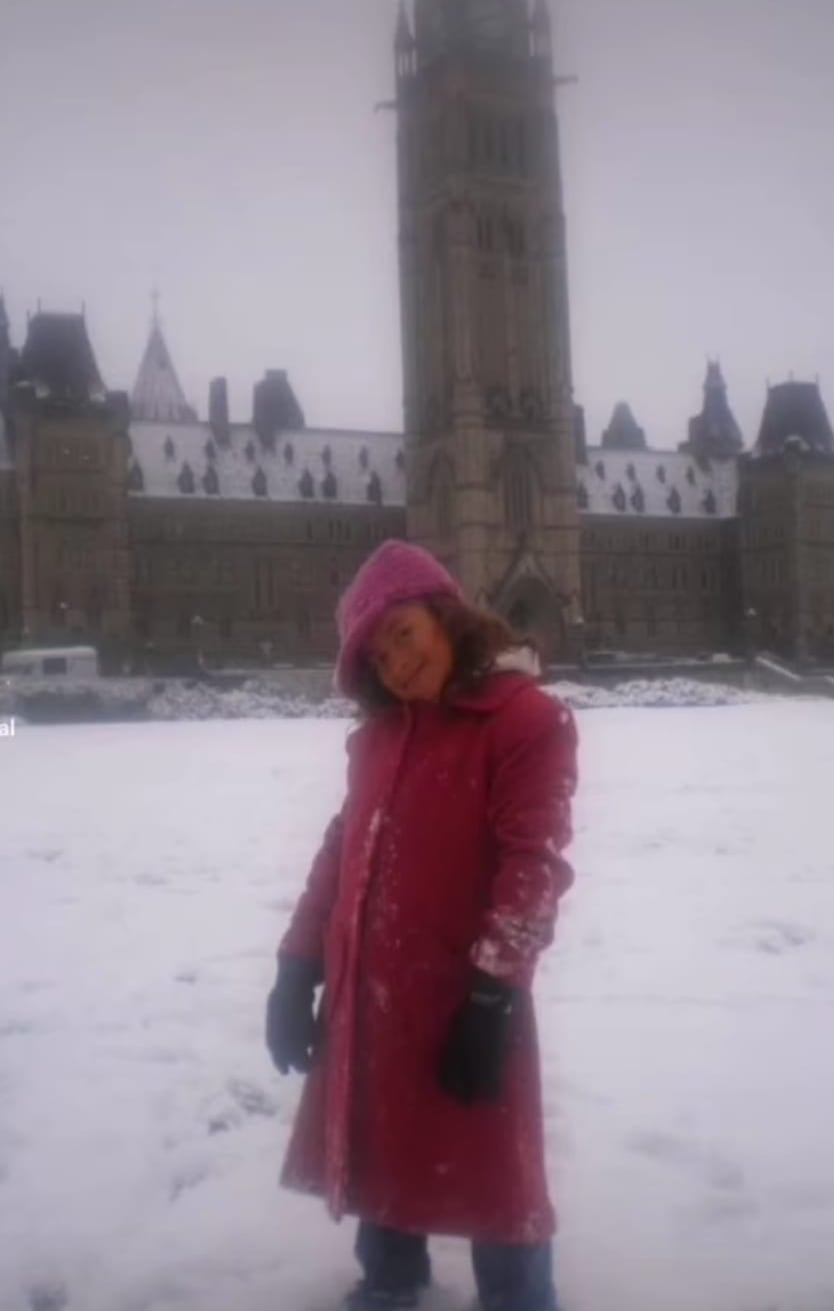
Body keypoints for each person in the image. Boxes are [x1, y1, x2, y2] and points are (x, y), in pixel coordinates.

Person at [265, 540, 578, 1311]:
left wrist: (492, 996)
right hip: (370, 998)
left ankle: (517, 1299)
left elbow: (531, 864)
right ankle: (391, 1281)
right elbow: (340, 854)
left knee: (493, 1170)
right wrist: (297, 965)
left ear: (444, 617)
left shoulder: (523, 720)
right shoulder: (376, 740)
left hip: (466, 996)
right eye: (378, 655)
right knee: (382, 1149)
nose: (397, 663)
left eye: (403, 633)